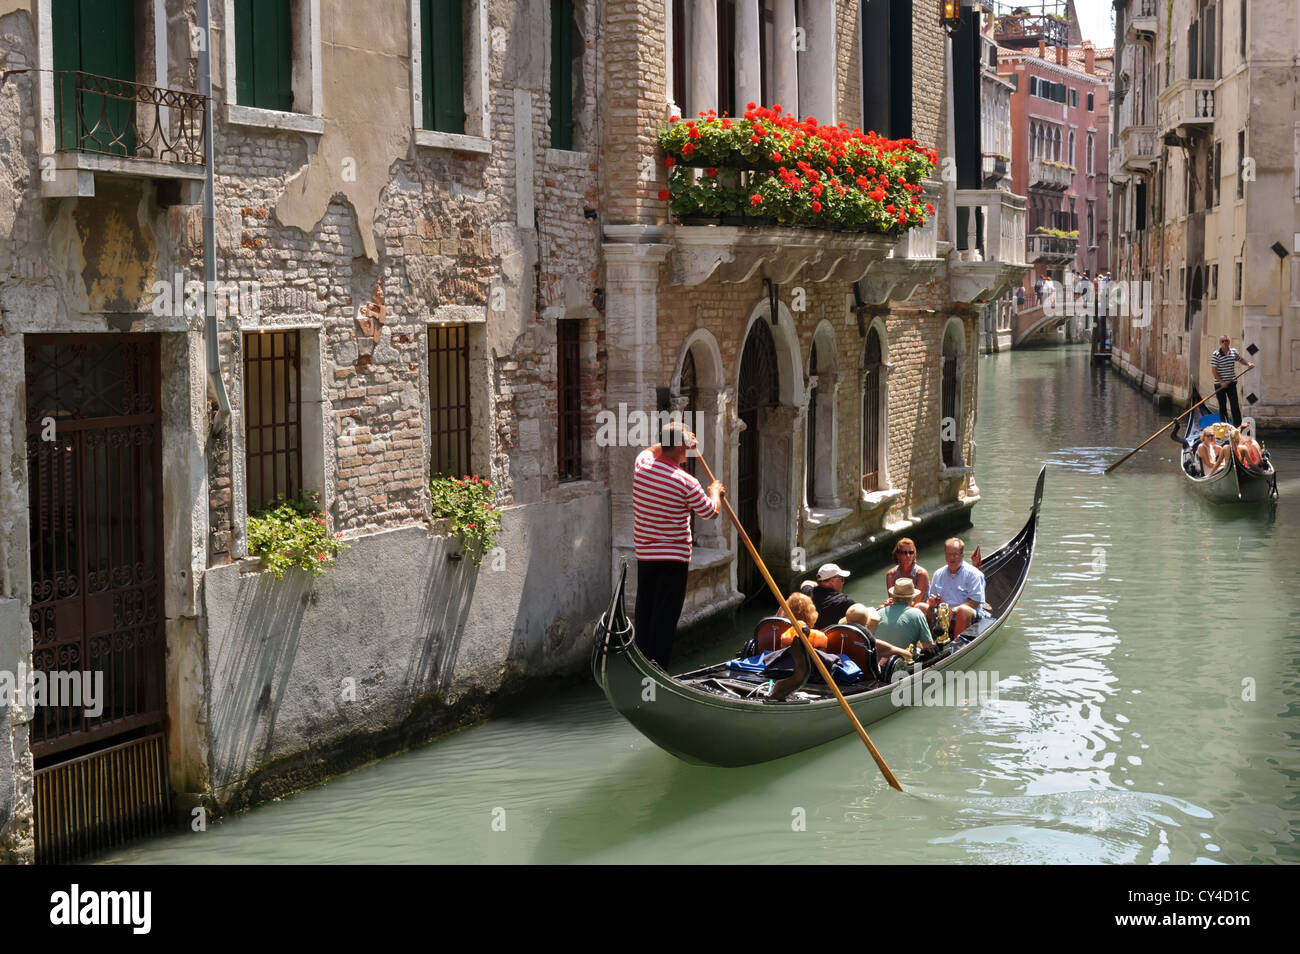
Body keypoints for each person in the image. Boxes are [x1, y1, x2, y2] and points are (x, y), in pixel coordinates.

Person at [632, 421, 724, 668]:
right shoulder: (686, 482)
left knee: (646, 611)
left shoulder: (642, 468)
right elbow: (710, 512)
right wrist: (716, 491)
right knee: (665, 616)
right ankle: (657, 668)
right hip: (673, 558)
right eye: (686, 447)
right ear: (681, 447)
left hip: (646, 555)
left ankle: (641, 664)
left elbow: (650, 451)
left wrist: (672, 439)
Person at [926, 538, 986, 638]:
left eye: (955, 554)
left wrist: (953, 611)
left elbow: (975, 602)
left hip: (968, 617)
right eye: (948, 554)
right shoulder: (938, 574)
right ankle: (925, 643)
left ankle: (957, 646)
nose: (951, 558)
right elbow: (931, 599)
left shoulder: (974, 574)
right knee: (921, 607)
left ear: (962, 555)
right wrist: (932, 602)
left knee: (962, 610)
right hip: (943, 615)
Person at [873, 584, 934, 660]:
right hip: (905, 663)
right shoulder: (917, 614)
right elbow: (928, 646)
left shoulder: (878, 613)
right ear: (912, 597)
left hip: (878, 663)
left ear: (893, 596)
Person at [841, 604, 912, 665]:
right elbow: (907, 655)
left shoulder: (838, 637)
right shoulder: (873, 643)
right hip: (867, 678)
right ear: (867, 622)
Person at [1210, 335, 1255, 426]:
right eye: (1223, 341)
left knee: (1235, 405)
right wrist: (1221, 382)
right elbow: (1214, 370)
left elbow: (1240, 359)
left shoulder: (1233, 352)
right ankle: (1224, 425)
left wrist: (1248, 364)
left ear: (1229, 342)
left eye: (1227, 341)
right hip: (1220, 384)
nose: (1225, 343)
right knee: (1222, 406)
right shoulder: (1216, 354)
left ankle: (1238, 426)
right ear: (1220, 343)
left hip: (1231, 383)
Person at [884, 537, 929, 606]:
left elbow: (916, 602)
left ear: (914, 555)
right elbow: (892, 599)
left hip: (919, 610)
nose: (908, 556)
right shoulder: (891, 575)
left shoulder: (922, 574)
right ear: (897, 555)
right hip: (898, 608)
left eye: (911, 552)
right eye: (904, 553)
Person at [810, 563, 855, 628]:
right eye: (842, 579)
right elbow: (858, 618)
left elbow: (805, 583)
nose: (843, 582)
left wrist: (820, 583)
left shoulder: (809, 592)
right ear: (832, 581)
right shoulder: (845, 602)